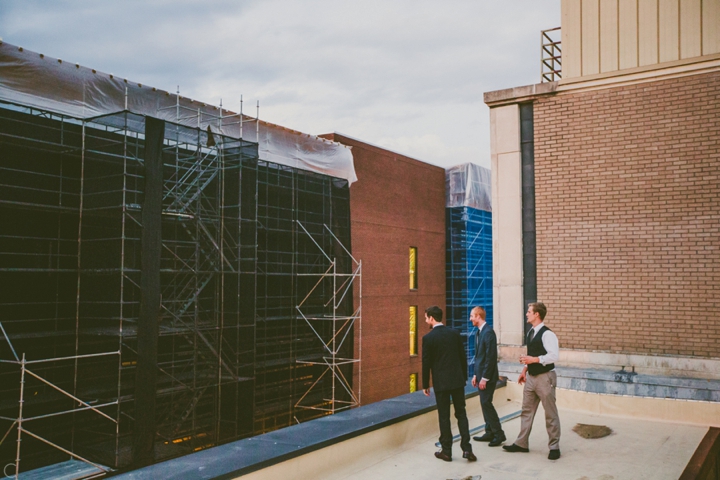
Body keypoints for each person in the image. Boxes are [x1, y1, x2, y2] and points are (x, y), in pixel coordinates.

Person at [503, 302, 561, 460]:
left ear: (537, 314)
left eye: (529, 312)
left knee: (550, 413)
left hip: (545, 378)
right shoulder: (531, 333)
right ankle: (521, 443)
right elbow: (531, 355)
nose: (527, 314)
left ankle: (554, 446)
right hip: (531, 378)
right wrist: (524, 370)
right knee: (526, 411)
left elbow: (554, 356)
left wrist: (534, 359)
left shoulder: (548, 334)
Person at [422, 305, 477, 462]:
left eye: (426, 318)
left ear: (432, 318)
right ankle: (467, 449)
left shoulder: (428, 338)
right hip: (457, 380)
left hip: (441, 383)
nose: (426, 320)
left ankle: (446, 451)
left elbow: (426, 363)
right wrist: (464, 377)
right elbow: (462, 356)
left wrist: (425, 384)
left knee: (444, 416)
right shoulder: (454, 333)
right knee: (461, 414)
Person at [469, 306, 506, 447]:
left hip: (487, 377)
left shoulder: (488, 333)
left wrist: (484, 378)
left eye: (472, 316)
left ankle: (499, 434)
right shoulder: (479, 332)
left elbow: (491, 358)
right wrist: (475, 375)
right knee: (484, 403)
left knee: (486, 403)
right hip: (480, 375)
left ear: (478, 316)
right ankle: (489, 432)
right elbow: (479, 357)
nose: (470, 318)